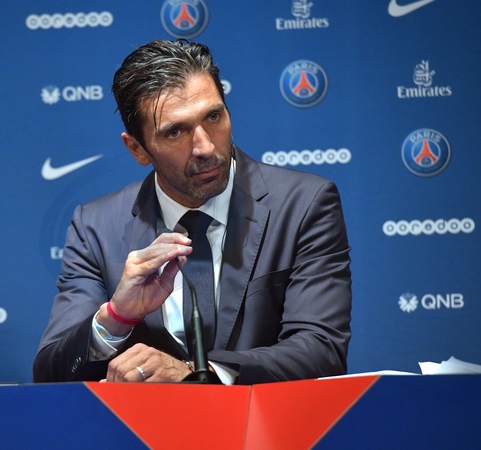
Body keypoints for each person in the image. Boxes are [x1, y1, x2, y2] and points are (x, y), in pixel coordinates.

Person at [33, 40, 351, 385]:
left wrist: (199, 373)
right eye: (175, 132)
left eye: (213, 117)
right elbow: (51, 374)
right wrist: (116, 317)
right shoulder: (96, 227)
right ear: (137, 149)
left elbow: (321, 349)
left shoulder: (303, 204)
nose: (205, 147)